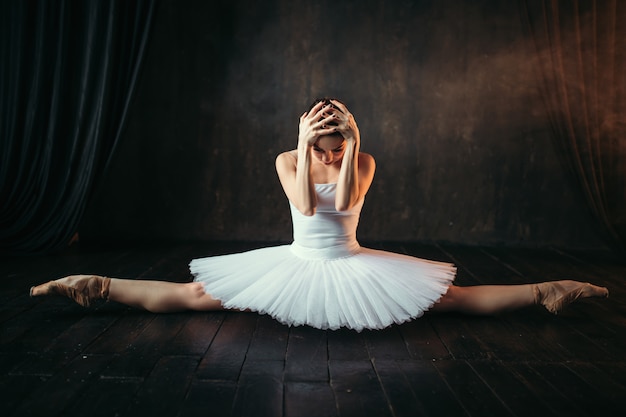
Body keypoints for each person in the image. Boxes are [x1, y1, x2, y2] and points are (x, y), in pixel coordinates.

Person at [30, 98, 609, 332]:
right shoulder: (288, 159)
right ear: (305, 143)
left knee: (449, 301)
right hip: (296, 260)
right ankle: (96, 285)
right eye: (321, 149)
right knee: (195, 296)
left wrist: (353, 143)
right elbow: (305, 205)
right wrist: (302, 143)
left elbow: (349, 202)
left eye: (336, 149)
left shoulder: (363, 160)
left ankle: (546, 291)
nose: (329, 158)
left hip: (351, 261)